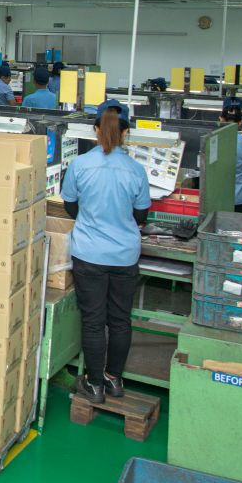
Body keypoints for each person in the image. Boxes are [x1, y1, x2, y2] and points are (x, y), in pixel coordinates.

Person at [61, 99, 151, 405]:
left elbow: (71, 206)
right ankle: (115, 379)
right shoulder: (136, 170)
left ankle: (94, 384)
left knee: (93, 321)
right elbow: (141, 216)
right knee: (121, 320)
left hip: (89, 255)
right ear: (125, 133)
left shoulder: (80, 165)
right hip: (125, 255)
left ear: (96, 130)